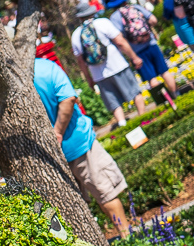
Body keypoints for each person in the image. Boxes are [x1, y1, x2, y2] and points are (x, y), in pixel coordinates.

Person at [32, 56, 131, 236]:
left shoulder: (9, 80)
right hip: (78, 143)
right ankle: (127, 237)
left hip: (48, 156)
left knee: (77, 206)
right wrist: (58, 132)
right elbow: (69, 98)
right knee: (105, 192)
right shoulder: (46, 67)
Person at [70, 0, 146, 127]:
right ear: (91, 12)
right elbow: (120, 42)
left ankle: (123, 126)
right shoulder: (102, 23)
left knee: (114, 104)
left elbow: (81, 62)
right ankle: (144, 120)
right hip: (117, 65)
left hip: (98, 74)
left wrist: (89, 78)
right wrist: (134, 57)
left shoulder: (75, 35)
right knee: (135, 94)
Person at [104, 0, 179, 105]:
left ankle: (166, 103)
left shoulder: (115, 17)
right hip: (151, 44)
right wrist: (146, 29)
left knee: (152, 79)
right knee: (165, 72)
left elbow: (120, 39)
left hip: (137, 52)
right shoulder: (134, 8)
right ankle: (176, 95)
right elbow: (154, 20)